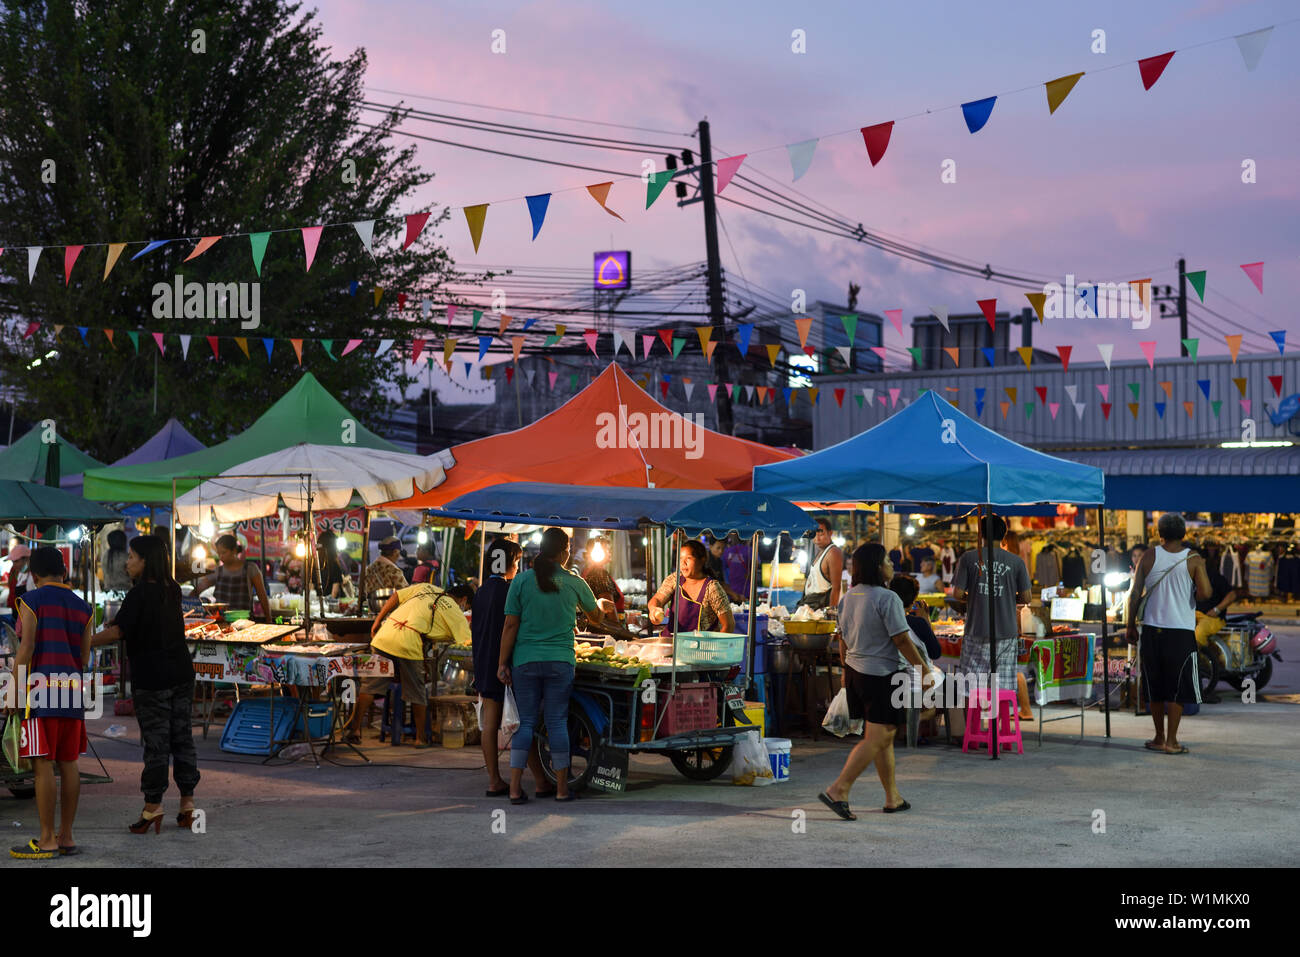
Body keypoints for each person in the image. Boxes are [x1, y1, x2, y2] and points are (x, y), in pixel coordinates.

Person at [90, 535, 199, 833]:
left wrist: (83, 642)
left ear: (145, 560)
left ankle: (153, 807)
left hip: (153, 678)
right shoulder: (172, 589)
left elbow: (117, 633)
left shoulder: (139, 595)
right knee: (182, 738)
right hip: (180, 673)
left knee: (157, 743)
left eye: (132, 557)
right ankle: (188, 805)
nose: (127, 562)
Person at [498, 528, 612, 804]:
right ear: (564, 552)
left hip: (525, 661)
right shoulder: (574, 582)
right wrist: (602, 605)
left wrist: (502, 662)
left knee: (525, 723)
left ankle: (514, 789)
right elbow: (595, 618)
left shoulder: (522, 581)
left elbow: (510, 625)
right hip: (560, 663)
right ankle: (561, 789)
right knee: (557, 722)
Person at [819, 544, 929, 821]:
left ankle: (893, 797)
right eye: (887, 562)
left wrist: (846, 671)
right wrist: (925, 670)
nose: (891, 566)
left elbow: (841, 639)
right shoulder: (887, 598)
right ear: (877, 566)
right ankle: (838, 790)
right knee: (878, 737)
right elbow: (901, 639)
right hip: (882, 675)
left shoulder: (848, 598)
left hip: (857, 673)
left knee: (885, 737)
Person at [8, 547, 93, 859]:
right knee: (69, 762)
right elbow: (84, 657)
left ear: (34, 574)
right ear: (64, 572)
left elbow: (26, 648)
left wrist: (12, 693)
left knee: (42, 763)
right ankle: (66, 836)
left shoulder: (31, 601)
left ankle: (46, 840)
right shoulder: (83, 606)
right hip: (71, 690)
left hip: (41, 691)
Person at [472, 538, 555, 798]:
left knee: (490, 723)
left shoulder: (482, 590)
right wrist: (504, 663)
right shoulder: (509, 590)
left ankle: (494, 780)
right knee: (521, 723)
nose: (518, 567)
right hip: (504, 665)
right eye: (517, 561)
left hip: (483, 662)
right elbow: (512, 627)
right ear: (509, 562)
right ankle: (541, 781)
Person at [343, 580, 470, 746]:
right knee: (417, 691)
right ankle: (420, 738)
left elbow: (396, 596)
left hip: (385, 635)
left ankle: (355, 730)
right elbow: (467, 642)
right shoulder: (455, 611)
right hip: (409, 642)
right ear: (463, 600)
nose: (465, 610)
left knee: (370, 686)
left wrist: (377, 622)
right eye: (466, 607)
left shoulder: (425, 587)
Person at [1126, 514, 1212, 755]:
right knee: (1178, 686)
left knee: (1155, 684)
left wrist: (1130, 625)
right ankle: (1172, 742)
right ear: (1184, 533)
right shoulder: (1193, 559)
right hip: (1181, 633)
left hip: (1152, 630)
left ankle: (1158, 736)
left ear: (1159, 533)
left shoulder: (1149, 555)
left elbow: (1134, 594)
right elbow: (1205, 593)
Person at [951, 514, 1032, 711]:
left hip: (976, 631)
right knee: (1002, 688)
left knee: (970, 688)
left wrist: (977, 596)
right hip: (1006, 634)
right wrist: (1006, 598)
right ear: (1004, 535)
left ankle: (971, 734)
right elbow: (1027, 598)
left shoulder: (968, 558)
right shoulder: (1016, 561)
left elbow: (957, 593)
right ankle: (1000, 735)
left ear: (981, 534)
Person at [646, 539, 736, 635]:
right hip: (671, 642)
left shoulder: (712, 588)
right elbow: (658, 599)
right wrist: (654, 609)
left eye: (688, 558)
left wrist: (714, 646)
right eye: (680, 559)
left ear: (702, 560)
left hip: (700, 647)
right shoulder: (675, 579)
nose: (683, 563)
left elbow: (729, 625)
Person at [193, 535, 270, 619]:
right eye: (219, 553)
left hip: (243, 621)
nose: (220, 556)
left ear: (234, 550)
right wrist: (188, 598)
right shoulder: (218, 571)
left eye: (224, 552)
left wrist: (269, 618)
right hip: (221, 621)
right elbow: (201, 587)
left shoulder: (250, 569)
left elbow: (262, 596)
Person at [889, 574, 941, 661]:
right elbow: (935, 653)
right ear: (914, 599)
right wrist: (926, 619)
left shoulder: (883, 619)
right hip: (917, 672)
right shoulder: (918, 623)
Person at [798, 518, 843, 610]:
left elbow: (836, 587)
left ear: (830, 533)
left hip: (821, 609)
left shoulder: (833, 552)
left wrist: (831, 613)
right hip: (811, 606)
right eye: (814, 534)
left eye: (821, 534)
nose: (817, 538)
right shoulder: (820, 552)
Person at [582, 541, 625, 615]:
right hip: (606, 624)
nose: (610, 552)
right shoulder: (600, 574)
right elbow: (611, 614)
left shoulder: (588, 570)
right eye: (607, 549)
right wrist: (617, 625)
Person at [706, 537, 745, 603]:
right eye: (718, 548)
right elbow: (713, 583)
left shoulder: (719, 561)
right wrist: (732, 593)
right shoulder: (706, 561)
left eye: (723, 548)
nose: (721, 551)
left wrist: (736, 594)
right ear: (710, 546)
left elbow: (722, 582)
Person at [315, 530, 347, 599]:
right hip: (326, 603)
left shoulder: (315, 563)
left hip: (318, 603)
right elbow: (335, 590)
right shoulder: (334, 564)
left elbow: (311, 586)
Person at [720, 532, 752, 598]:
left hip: (730, 591)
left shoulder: (726, 551)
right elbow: (757, 564)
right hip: (746, 590)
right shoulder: (750, 550)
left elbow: (723, 569)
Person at [6, 543, 31, 614]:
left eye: (16, 561)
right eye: (12, 561)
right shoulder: (13, 570)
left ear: (26, 559)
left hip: (26, 613)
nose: (14, 564)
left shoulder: (33, 574)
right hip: (13, 609)